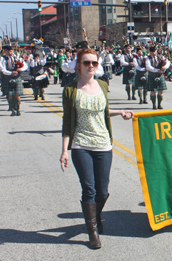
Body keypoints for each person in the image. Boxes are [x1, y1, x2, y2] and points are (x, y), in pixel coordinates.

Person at [60, 48, 134, 249]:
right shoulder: (70, 90)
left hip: (103, 144)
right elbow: (68, 121)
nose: (91, 66)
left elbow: (102, 111)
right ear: (78, 66)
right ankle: (92, 230)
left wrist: (121, 112)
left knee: (102, 191)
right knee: (89, 189)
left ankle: (95, 216)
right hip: (81, 144)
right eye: (86, 63)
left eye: (94, 63)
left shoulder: (102, 85)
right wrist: (65, 150)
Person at [0, 46, 28, 116]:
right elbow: (2, 69)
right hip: (8, 79)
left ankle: (18, 109)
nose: (10, 52)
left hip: (17, 78)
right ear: (5, 51)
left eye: (11, 51)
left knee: (17, 96)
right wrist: (11, 73)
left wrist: (20, 69)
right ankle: (12, 110)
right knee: (10, 96)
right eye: (8, 51)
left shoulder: (18, 58)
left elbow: (25, 66)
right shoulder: (3, 59)